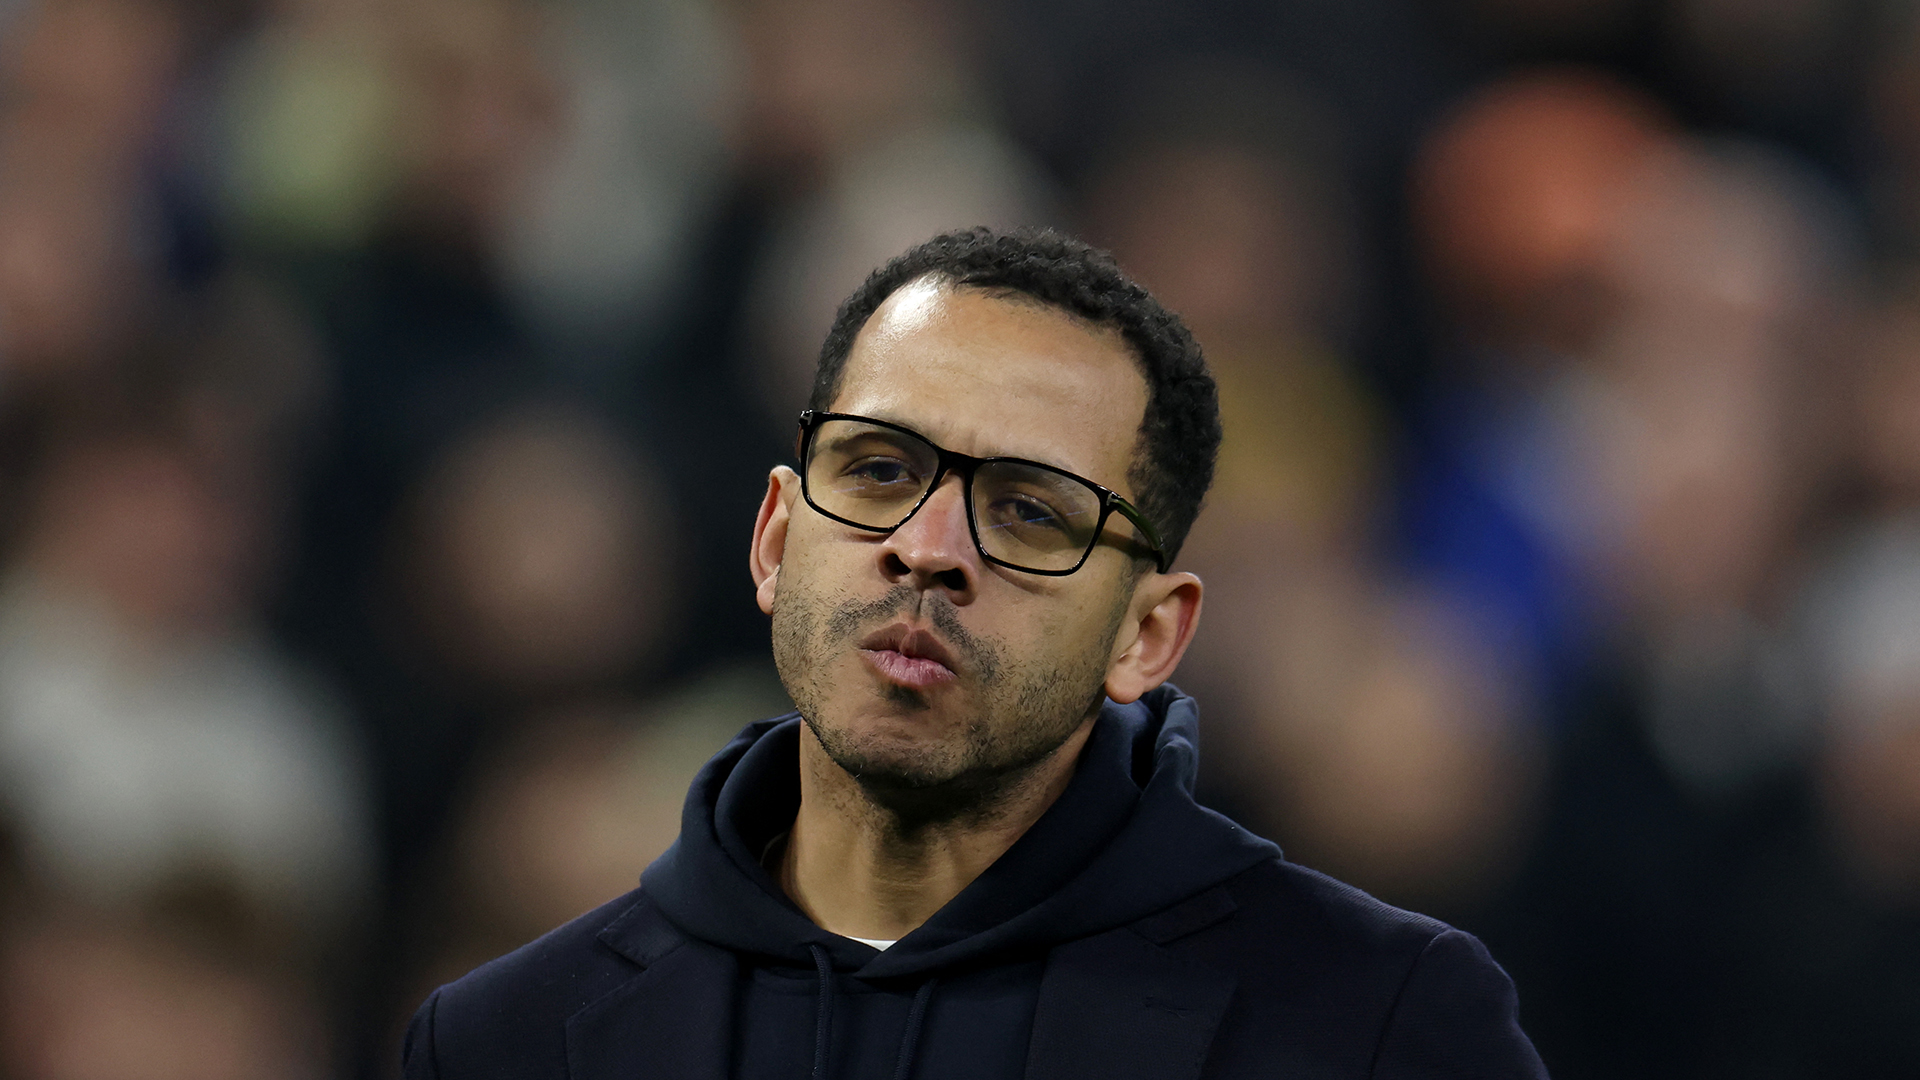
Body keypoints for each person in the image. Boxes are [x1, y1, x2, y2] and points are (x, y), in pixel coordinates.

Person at [401, 228, 1547, 1079]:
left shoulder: (1382, 1027)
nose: (926, 550)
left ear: (1148, 636)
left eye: (1030, 513)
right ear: (775, 539)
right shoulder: (505, 1044)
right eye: (880, 471)